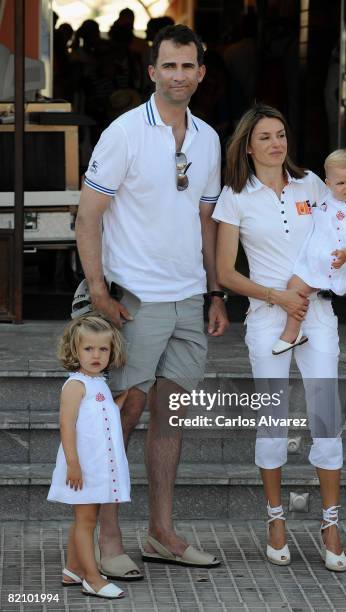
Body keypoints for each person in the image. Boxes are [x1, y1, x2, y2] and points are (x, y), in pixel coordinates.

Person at [75, 24, 229, 577]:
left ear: (201, 72)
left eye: (188, 66)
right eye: (169, 66)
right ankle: (107, 536)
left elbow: (207, 220)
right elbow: (87, 217)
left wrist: (214, 292)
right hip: (134, 297)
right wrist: (98, 292)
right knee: (125, 411)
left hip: (189, 295)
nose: (179, 75)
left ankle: (161, 533)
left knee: (173, 414)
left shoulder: (209, 138)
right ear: (152, 71)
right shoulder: (123, 132)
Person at [213, 104, 346, 571]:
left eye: (281, 134)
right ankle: (275, 519)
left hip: (318, 312)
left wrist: (313, 285)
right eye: (265, 137)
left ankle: (331, 524)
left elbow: (343, 228)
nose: (276, 143)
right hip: (268, 316)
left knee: (325, 415)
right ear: (248, 145)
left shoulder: (313, 184)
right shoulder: (235, 196)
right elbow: (225, 271)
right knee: (272, 419)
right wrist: (278, 296)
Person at [47, 314, 130, 599]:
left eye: (102, 349)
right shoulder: (75, 385)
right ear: (74, 351)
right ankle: (92, 578)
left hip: (96, 465)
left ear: (111, 351)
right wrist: (73, 464)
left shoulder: (99, 384)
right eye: (88, 349)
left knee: (86, 517)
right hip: (82, 466)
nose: (96, 355)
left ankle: (73, 569)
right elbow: (66, 425)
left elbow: (101, 415)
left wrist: (120, 401)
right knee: (85, 521)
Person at [273, 148, 346, 355]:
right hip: (320, 253)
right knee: (294, 286)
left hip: (339, 259)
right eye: (341, 183)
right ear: (328, 183)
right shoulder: (329, 197)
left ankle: (291, 332)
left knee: (296, 288)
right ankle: (298, 326)